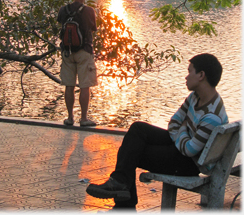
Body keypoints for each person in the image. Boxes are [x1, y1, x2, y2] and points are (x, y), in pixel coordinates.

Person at [86, 53, 228, 209]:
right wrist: (182, 130)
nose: (186, 77)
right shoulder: (195, 97)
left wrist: (182, 129)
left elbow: (189, 150)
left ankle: (124, 205)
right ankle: (120, 185)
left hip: (191, 164)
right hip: (183, 148)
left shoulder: (211, 116)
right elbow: (174, 122)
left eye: (189, 72)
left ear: (201, 75)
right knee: (138, 129)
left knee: (133, 151)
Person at [58, 0, 98, 127]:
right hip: (84, 52)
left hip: (67, 52)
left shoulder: (63, 9)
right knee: (84, 86)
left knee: (69, 85)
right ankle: (84, 118)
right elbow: (93, 28)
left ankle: (69, 118)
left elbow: (61, 25)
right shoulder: (89, 11)